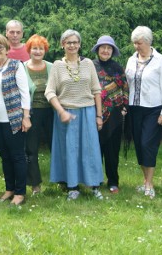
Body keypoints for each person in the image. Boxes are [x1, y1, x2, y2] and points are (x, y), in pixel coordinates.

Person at [45, 29, 104, 201]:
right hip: (66, 113)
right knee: (69, 150)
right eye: (68, 42)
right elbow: (49, 92)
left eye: (75, 42)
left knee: (90, 149)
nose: (72, 45)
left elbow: (96, 91)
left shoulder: (88, 64)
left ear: (79, 44)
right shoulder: (57, 65)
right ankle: (72, 187)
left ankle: (93, 185)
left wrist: (99, 116)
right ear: (62, 45)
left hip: (87, 111)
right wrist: (61, 111)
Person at [125, 26, 162, 199]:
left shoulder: (161, 60)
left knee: (147, 144)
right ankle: (145, 181)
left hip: (154, 109)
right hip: (134, 108)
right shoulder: (131, 60)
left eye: (140, 43)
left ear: (148, 42)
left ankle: (149, 183)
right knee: (138, 144)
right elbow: (127, 84)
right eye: (135, 43)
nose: (137, 46)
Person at [0, 35, 32, 206]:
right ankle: (9, 189)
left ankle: (20, 193)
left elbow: (24, 92)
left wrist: (26, 117)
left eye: (0, 47)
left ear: (6, 49)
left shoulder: (15, 65)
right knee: (5, 156)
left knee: (18, 156)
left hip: (13, 119)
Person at [91, 35, 129, 194]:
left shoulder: (118, 68)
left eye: (109, 48)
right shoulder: (90, 66)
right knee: (95, 150)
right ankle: (95, 181)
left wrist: (124, 107)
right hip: (93, 114)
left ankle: (113, 182)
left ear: (112, 51)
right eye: (102, 47)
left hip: (114, 116)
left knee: (112, 152)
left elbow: (125, 89)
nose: (105, 50)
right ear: (97, 49)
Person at [23, 34, 54, 195]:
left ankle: (62, 181)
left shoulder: (52, 67)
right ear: (29, 50)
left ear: (45, 50)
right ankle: (35, 185)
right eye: (34, 48)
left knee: (56, 146)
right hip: (32, 112)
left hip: (51, 112)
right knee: (31, 149)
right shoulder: (22, 68)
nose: (37, 51)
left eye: (40, 48)